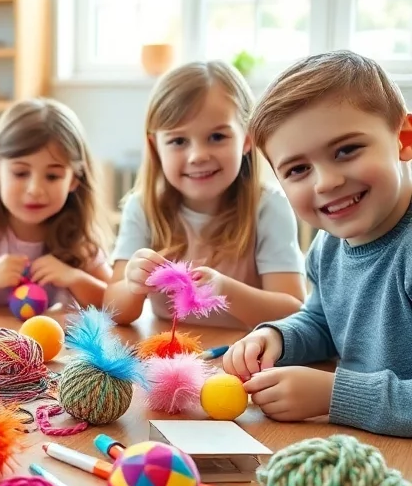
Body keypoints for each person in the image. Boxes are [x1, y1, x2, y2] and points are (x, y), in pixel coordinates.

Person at [224, 51, 412, 435]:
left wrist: (335, 395)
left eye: (346, 150)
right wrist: (276, 337)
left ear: (403, 139)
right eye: (298, 170)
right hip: (362, 446)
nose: (325, 182)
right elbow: (324, 321)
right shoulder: (328, 247)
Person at [105, 61, 304, 329]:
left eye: (217, 137)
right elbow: (114, 312)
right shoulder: (142, 208)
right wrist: (132, 285)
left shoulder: (269, 208)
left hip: (248, 359)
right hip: (171, 359)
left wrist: (225, 289)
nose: (198, 156)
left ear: (246, 139)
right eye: (178, 141)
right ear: (155, 147)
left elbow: (293, 311)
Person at [0, 99, 111, 312]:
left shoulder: (78, 238)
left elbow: (118, 305)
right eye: (20, 173)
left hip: (51, 345)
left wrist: (74, 278)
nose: (35, 189)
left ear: (73, 180)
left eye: (52, 176)